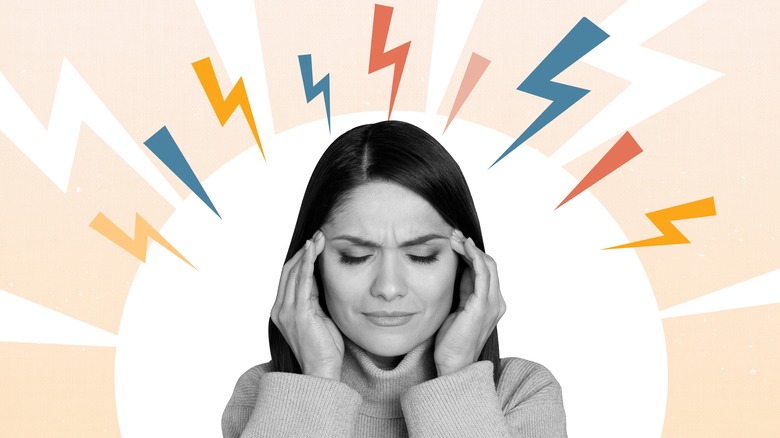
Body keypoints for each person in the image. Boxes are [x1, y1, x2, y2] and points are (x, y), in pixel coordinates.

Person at [222, 121, 567, 437]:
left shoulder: (523, 393)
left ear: (466, 266)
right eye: (355, 257)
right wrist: (318, 378)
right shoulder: (263, 395)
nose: (388, 288)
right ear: (311, 267)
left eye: (421, 256)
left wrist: (457, 375)